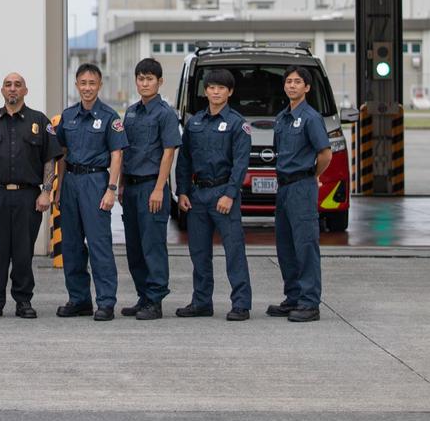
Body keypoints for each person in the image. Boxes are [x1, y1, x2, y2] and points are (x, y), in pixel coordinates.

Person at [0, 73, 61, 319]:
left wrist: (46, 192)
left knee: (23, 253)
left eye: (17, 85)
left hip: (28, 197)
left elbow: (50, 159)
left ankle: (23, 302)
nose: (13, 89)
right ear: (2, 90)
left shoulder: (39, 121)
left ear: (25, 91)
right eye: (8, 85)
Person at [175, 69, 253, 321]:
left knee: (234, 250)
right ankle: (201, 302)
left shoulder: (238, 124)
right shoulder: (194, 122)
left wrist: (230, 194)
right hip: (198, 195)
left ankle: (241, 304)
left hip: (223, 194)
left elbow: (241, 163)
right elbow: (184, 160)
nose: (215, 92)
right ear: (205, 90)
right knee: (199, 252)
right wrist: (183, 191)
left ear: (230, 92)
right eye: (211, 87)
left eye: (221, 88)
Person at [54, 63, 128, 321]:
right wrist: (58, 187)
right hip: (71, 183)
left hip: (96, 183)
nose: (87, 88)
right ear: (76, 85)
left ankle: (106, 302)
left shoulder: (110, 117)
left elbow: (117, 154)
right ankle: (79, 299)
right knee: (72, 246)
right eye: (83, 83)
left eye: (92, 83)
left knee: (99, 246)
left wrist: (111, 189)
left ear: (99, 85)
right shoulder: (68, 115)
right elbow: (61, 154)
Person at [118, 58, 182, 321]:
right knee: (134, 247)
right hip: (131, 187)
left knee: (152, 245)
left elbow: (168, 154)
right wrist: (121, 185)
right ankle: (143, 296)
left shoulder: (165, 113)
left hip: (152, 187)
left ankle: (155, 300)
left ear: (160, 82)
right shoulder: (131, 112)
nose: (145, 83)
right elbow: (124, 152)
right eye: (141, 79)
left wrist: (159, 189)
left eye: (150, 79)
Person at [267, 65, 331, 322]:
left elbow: (325, 153)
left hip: (302, 186)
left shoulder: (311, 117)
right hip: (283, 187)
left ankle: (309, 302)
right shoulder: (282, 118)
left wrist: (313, 175)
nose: (292, 85)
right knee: (285, 245)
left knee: (305, 245)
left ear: (307, 87)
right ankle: (292, 297)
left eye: (297, 82)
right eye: (288, 81)